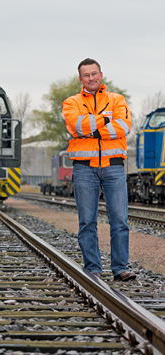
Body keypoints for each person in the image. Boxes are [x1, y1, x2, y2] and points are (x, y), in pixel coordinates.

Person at [63, 58, 135, 282]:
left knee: (120, 220)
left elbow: (123, 126)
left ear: (101, 75)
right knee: (87, 221)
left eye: (94, 74)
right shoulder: (71, 102)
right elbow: (75, 126)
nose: (91, 78)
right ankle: (93, 268)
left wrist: (92, 130)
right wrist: (105, 120)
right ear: (80, 79)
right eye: (86, 75)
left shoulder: (117, 99)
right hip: (84, 169)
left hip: (113, 167)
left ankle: (120, 268)